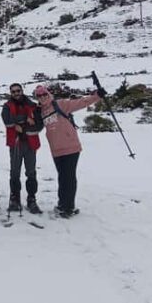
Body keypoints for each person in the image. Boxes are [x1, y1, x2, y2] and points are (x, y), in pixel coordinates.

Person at [35, 84, 106, 218]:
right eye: (39, 95)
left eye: (44, 94)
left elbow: (81, 102)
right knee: (63, 177)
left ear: (48, 94)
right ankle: (62, 204)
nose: (42, 97)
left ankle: (68, 208)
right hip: (56, 150)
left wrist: (97, 96)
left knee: (69, 177)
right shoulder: (40, 111)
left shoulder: (60, 104)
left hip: (70, 147)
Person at [1, 83, 43, 214]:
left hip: (30, 143)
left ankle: (31, 199)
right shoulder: (7, 106)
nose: (16, 93)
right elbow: (7, 121)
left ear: (22, 91)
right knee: (14, 172)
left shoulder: (32, 105)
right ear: (11, 93)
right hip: (15, 143)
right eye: (13, 91)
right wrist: (26, 120)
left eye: (18, 91)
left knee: (31, 172)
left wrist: (20, 125)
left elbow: (39, 124)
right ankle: (15, 198)